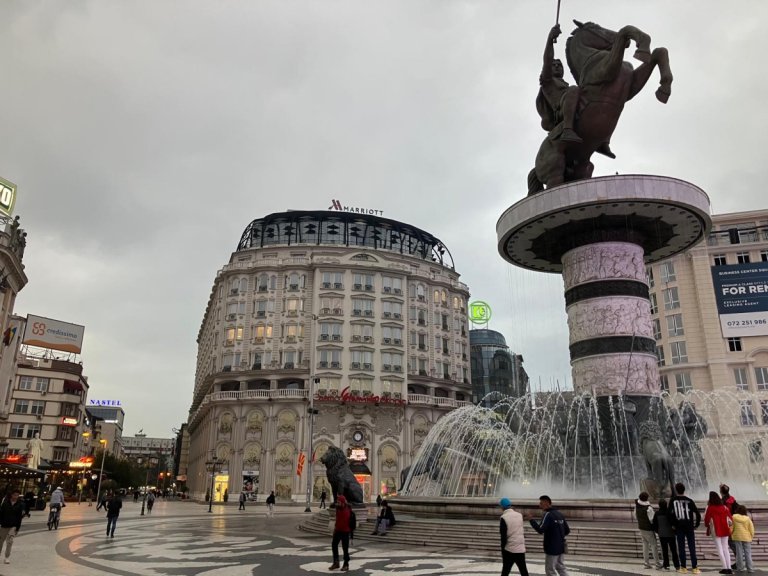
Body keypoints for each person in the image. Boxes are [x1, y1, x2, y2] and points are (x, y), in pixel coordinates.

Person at [528, 495, 569, 576]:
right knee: (561, 568)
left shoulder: (548, 514)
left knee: (550, 570)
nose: (539, 506)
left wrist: (531, 520)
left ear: (546, 503)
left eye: (541, 503)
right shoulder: (559, 514)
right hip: (561, 546)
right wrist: (557, 536)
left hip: (552, 547)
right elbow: (567, 530)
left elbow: (540, 529)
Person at [670, 482, 701, 574]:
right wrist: (696, 525)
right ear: (684, 490)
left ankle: (683, 567)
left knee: (681, 547)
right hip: (689, 527)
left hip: (679, 527)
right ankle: (695, 567)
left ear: (676, 490)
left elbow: (669, 514)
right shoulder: (690, 500)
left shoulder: (673, 500)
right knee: (692, 547)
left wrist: (673, 524)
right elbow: (698, 514)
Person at [704, 491, 734, 574]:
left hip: (716, 529)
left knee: (719, 548)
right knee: (726, 548)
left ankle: (725, 568)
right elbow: (731, 519)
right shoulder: (724, 507)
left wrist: (707, 525)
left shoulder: (710, 508)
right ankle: (729, 568)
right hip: (725, 529)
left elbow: (706, 519)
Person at [499, 497, 529, 576]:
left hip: (509, 549)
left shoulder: (504, 517)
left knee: (505, 571)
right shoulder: (519, 515)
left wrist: (503, 549)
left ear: (502, 507)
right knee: (523, 571)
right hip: (520, 548)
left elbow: (503, 536)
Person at [635, 491, 661, 569]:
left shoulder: (636, 506)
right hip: (648, 529)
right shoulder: (648, 508)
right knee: (654, 546)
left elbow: (636, 516)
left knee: (645, 545)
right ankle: (657, 564)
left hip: (641, 528)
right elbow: (652, 519)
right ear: (646, 498)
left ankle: (646, 563)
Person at [652, 499, 679, 571]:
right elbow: (674, 522)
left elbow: (654, 524)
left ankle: (666, 565)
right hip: (671, 534)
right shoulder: (670, 512)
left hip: (662, 535)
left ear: (659, 505)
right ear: (666, 505)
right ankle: (677, 565)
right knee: (673, 550)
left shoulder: (657, 513)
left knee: (665, 550)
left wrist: (658, 531)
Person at [329, 494, 353, 572]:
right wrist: (335, 528)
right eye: (337, 502)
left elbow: (351, 523)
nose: (337, 503)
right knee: (334, 545)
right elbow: (337, 519)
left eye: (339, 502)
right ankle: (336, 562)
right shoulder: (338, 508)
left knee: (345, 549)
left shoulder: (348, 510)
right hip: (338, 531)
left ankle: (346, 564)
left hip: (345, 532)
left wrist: (351, 535)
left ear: (343, 503)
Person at [0, 489, 24, 565]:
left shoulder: (19, 505)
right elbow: (1, 514)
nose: (16, 496)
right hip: (4, 525)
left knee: (10, 542)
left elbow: (19, 517)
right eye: (15, 495)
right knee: (0, 542)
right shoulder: (5, 503)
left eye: (17, 495)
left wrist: (17, 528)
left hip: (13, 526)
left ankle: (7, 557)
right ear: (11, 495)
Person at [731, 504, 754, 573]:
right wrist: (751, 536)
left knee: (739, 553)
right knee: (748, 553)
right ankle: (750, 569)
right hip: (747, 537)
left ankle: (740, 568)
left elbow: (731, 527)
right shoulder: (748, 519)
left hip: (737, 537)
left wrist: (731, 534)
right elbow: (751, 529)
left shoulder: (733, 517)